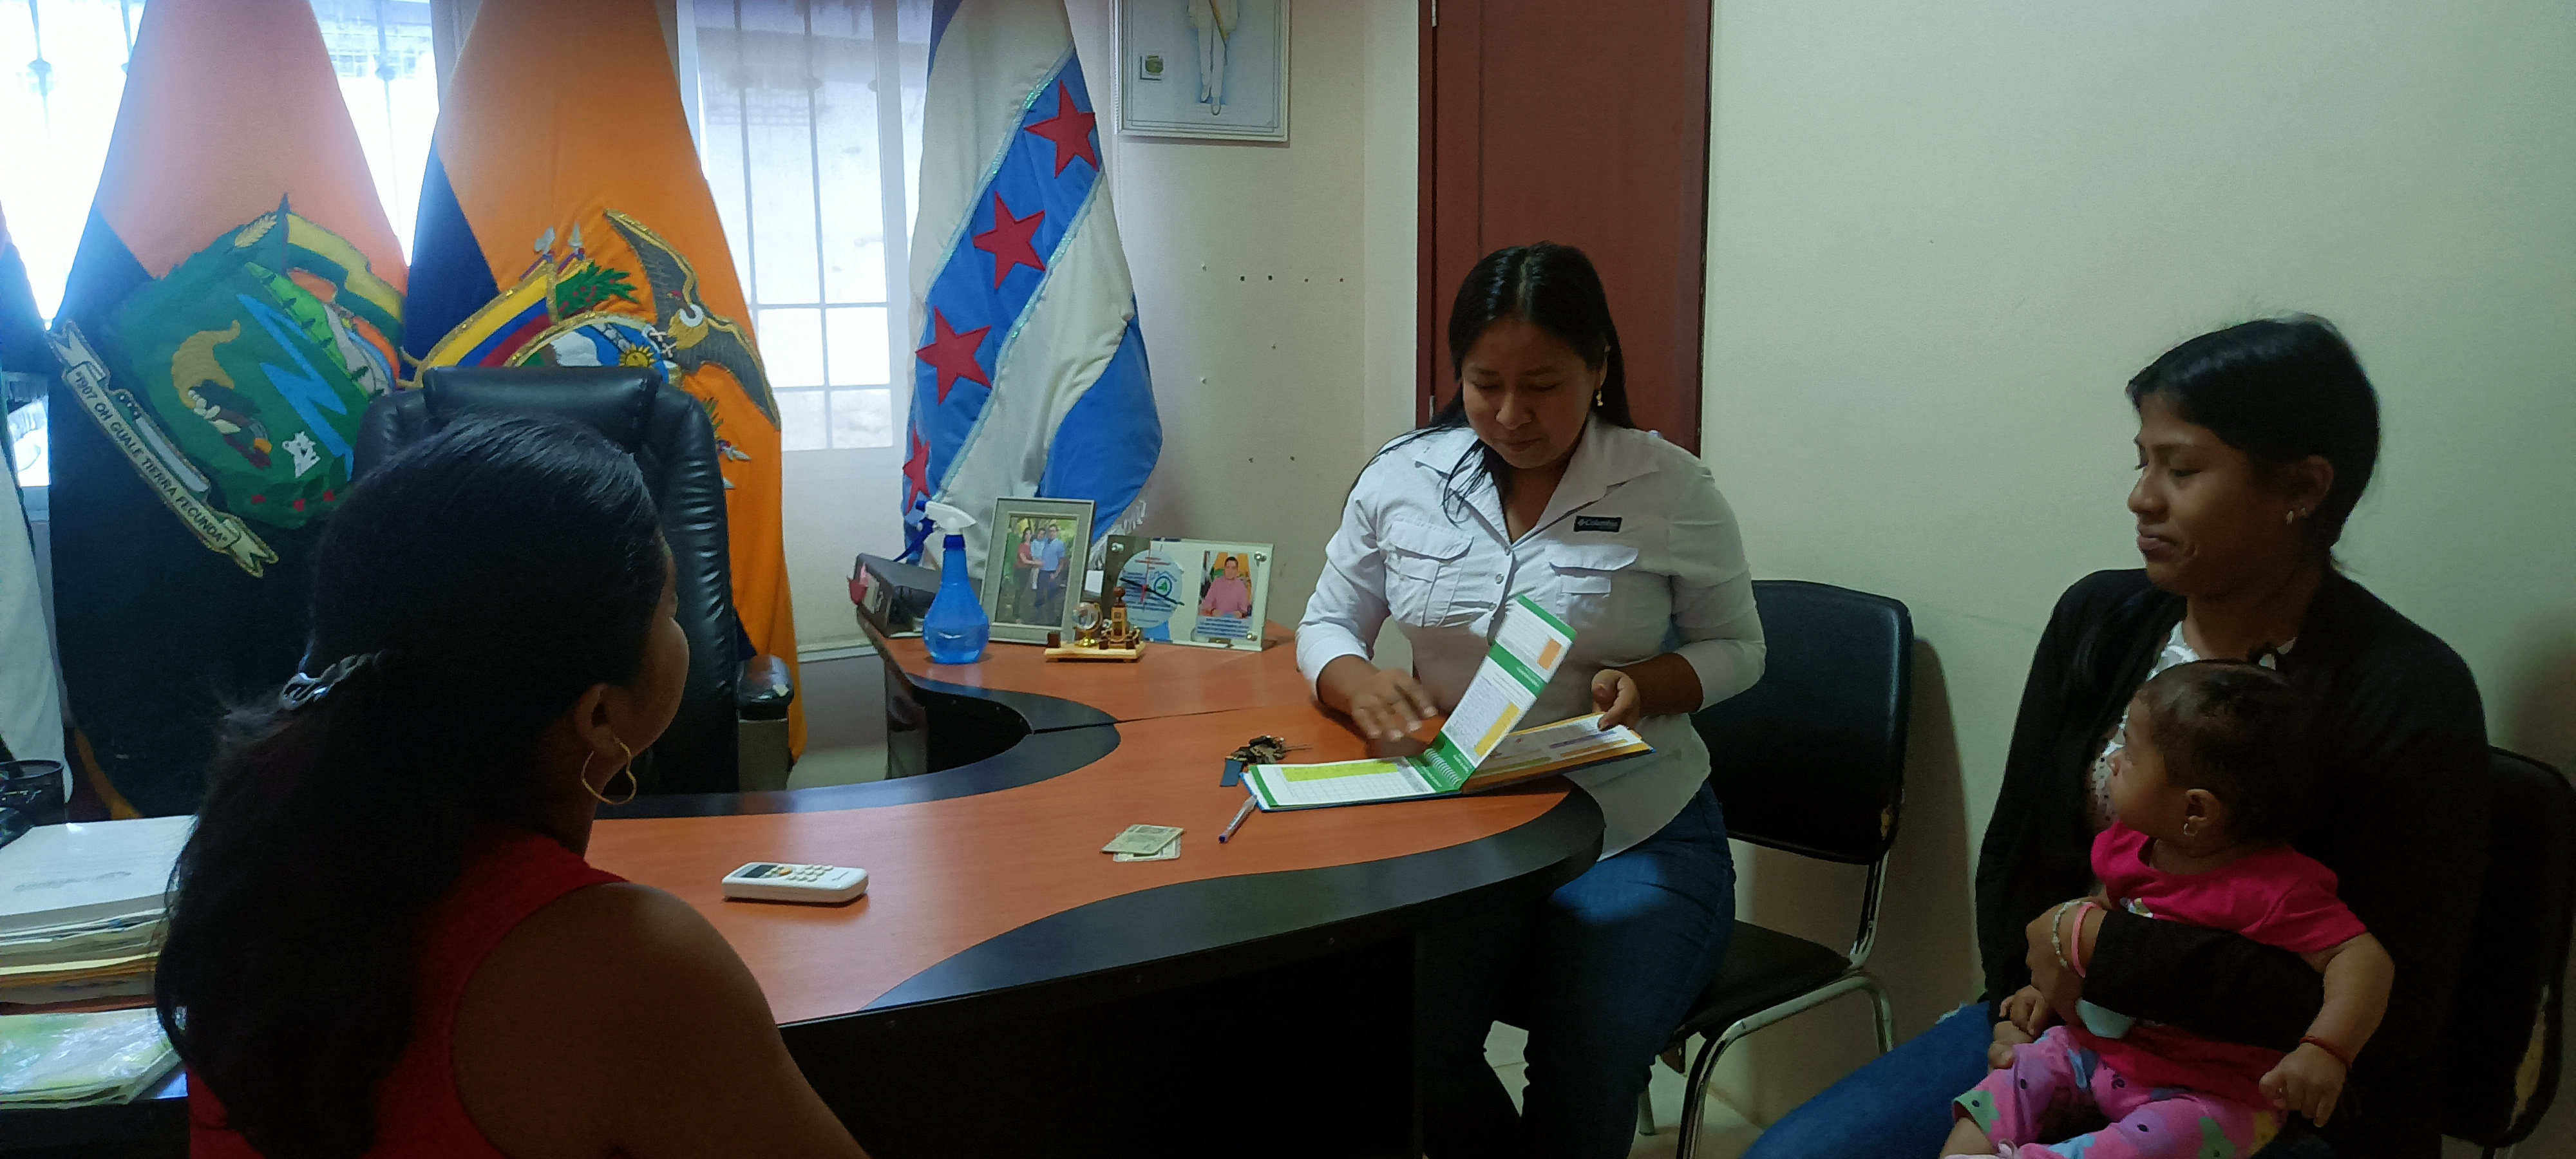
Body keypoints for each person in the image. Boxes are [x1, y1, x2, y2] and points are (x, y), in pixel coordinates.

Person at [1747, 316, 2486, 1159]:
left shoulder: (2405, 690)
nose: (2142, 497)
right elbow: (2019, 853)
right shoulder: (2101, 619)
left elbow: (2394, 998)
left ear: (2303, 487)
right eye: (2143, 462)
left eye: (2182, 469)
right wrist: (2018, 1002)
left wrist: (2101, 947)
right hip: (2068, 1032)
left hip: (2263, 1090)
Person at [156, 416, 868, 1159]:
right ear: (599, 717)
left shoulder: (253, 886)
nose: (680, 625)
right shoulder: (624, 961)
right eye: (672, 607)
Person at [1299, 241, 1765, 1158]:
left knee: (1585, 1060)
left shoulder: (1669, 486)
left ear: (1599, 370)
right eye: (1486, 385)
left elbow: (1740, 648)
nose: (1512, 415)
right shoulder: (1405, 477)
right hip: (1471, 821)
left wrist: (1650, 684)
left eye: (1543, 385)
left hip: (1634, 828)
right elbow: (1326, 625)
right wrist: (1360, 684)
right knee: (1396, 1035)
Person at [1946, 661, 2393, 1158]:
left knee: (2147, 1146)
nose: (2113, 760)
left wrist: (2326, 1050)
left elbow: (2361, 958)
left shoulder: (2276, 888)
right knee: (2015, 1075)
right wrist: (2046, 986)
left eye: (2131, 753)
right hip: (2102, 1051)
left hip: (2214, 1094)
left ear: (2196, 810)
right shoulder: (2130, 844)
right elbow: (2105, 917)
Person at [1200, 553, 1254, 619]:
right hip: (1216, 621)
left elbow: (1244, 610)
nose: (1230, 571)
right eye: (1228, 568)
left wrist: (1240, 613)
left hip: (1234, 622)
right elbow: (1206, 604)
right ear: (1224, 569)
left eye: (1233, 568)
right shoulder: (1216, 583)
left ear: (1237, 570)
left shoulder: (1241, 586)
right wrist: (1212, 611)